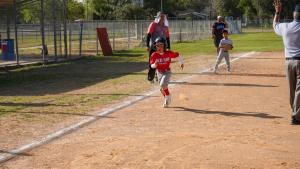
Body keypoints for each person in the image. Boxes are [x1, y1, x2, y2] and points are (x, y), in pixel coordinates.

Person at [273, 0, 300, 125]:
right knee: (299, 90)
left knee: (292, 89)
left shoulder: (285, 27)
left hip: (288, 63)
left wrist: (277, 12)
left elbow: (275, 25)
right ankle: (295, 116)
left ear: (294, 15)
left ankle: (294, 113)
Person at [150, 37, 184, 108]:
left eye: (161, 45)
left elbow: (178, 55)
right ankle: (167, 98)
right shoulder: (154, 55)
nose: (159, 47)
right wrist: (155, 65)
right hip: (159, 73)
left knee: (163, 85)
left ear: (164, 45)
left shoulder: (168, 53)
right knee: (162, 89)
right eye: (157, 45)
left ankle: (168, 96)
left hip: (167, 72)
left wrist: (181, 62)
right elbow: (152, 66)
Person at [146, 11, 171, 82]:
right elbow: (149, 35)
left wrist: (169, 47)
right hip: (154, 47)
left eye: (163, 17)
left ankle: (159, 76)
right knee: (152, 62)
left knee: (162, 62)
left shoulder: (166, 27)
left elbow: (167, 37)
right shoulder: (153, 24)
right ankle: (150, 77)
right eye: (161, 17)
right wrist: (147, 45)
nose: (162, 18)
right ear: (158, 17)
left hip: (163, 48)